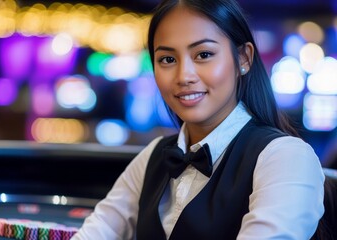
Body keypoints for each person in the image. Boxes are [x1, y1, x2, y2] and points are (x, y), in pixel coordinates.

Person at [72, 0, 325, 239]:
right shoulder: (153, 156)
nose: (184, 75)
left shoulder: (286, 158)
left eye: (203, 54)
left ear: (243, 58)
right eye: (168, 59)